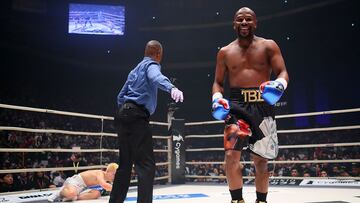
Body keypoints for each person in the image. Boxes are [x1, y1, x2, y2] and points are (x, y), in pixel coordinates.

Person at [211, 7, 289, 203]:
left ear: (255, 23)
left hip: (263, 106)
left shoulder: (269, 46)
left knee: (261, 161)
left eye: (248, 19)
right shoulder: (225, 52)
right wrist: (216, 98)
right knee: (231, 156)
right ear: (234, 24)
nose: (244, 23)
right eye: (240, 20)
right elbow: (218, 82)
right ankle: (237, 200)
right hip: (236, 107)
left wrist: (279, 84)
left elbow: (283, 72)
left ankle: (261, 201)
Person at [109, 40, 184, 203]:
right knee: (145, 166)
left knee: (124, 166)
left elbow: (120, 96)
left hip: (123, 116)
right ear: (158, 54)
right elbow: (156, 77)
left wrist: (126, 112)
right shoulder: (152, 65)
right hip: (137, 117)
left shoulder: (134, 71)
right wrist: (171, 88)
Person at [48, 163, 118, 202]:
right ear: (107, 171)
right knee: (71, 193)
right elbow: (104, 185)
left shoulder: (107, 180)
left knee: (96, 194)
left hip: (84, 188)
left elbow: (106, 188)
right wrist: (119, 190)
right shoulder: (100, 173)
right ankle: (60, 192)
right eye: (114, 174)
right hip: (75, 182)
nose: (114, 177)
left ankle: (73, 197)